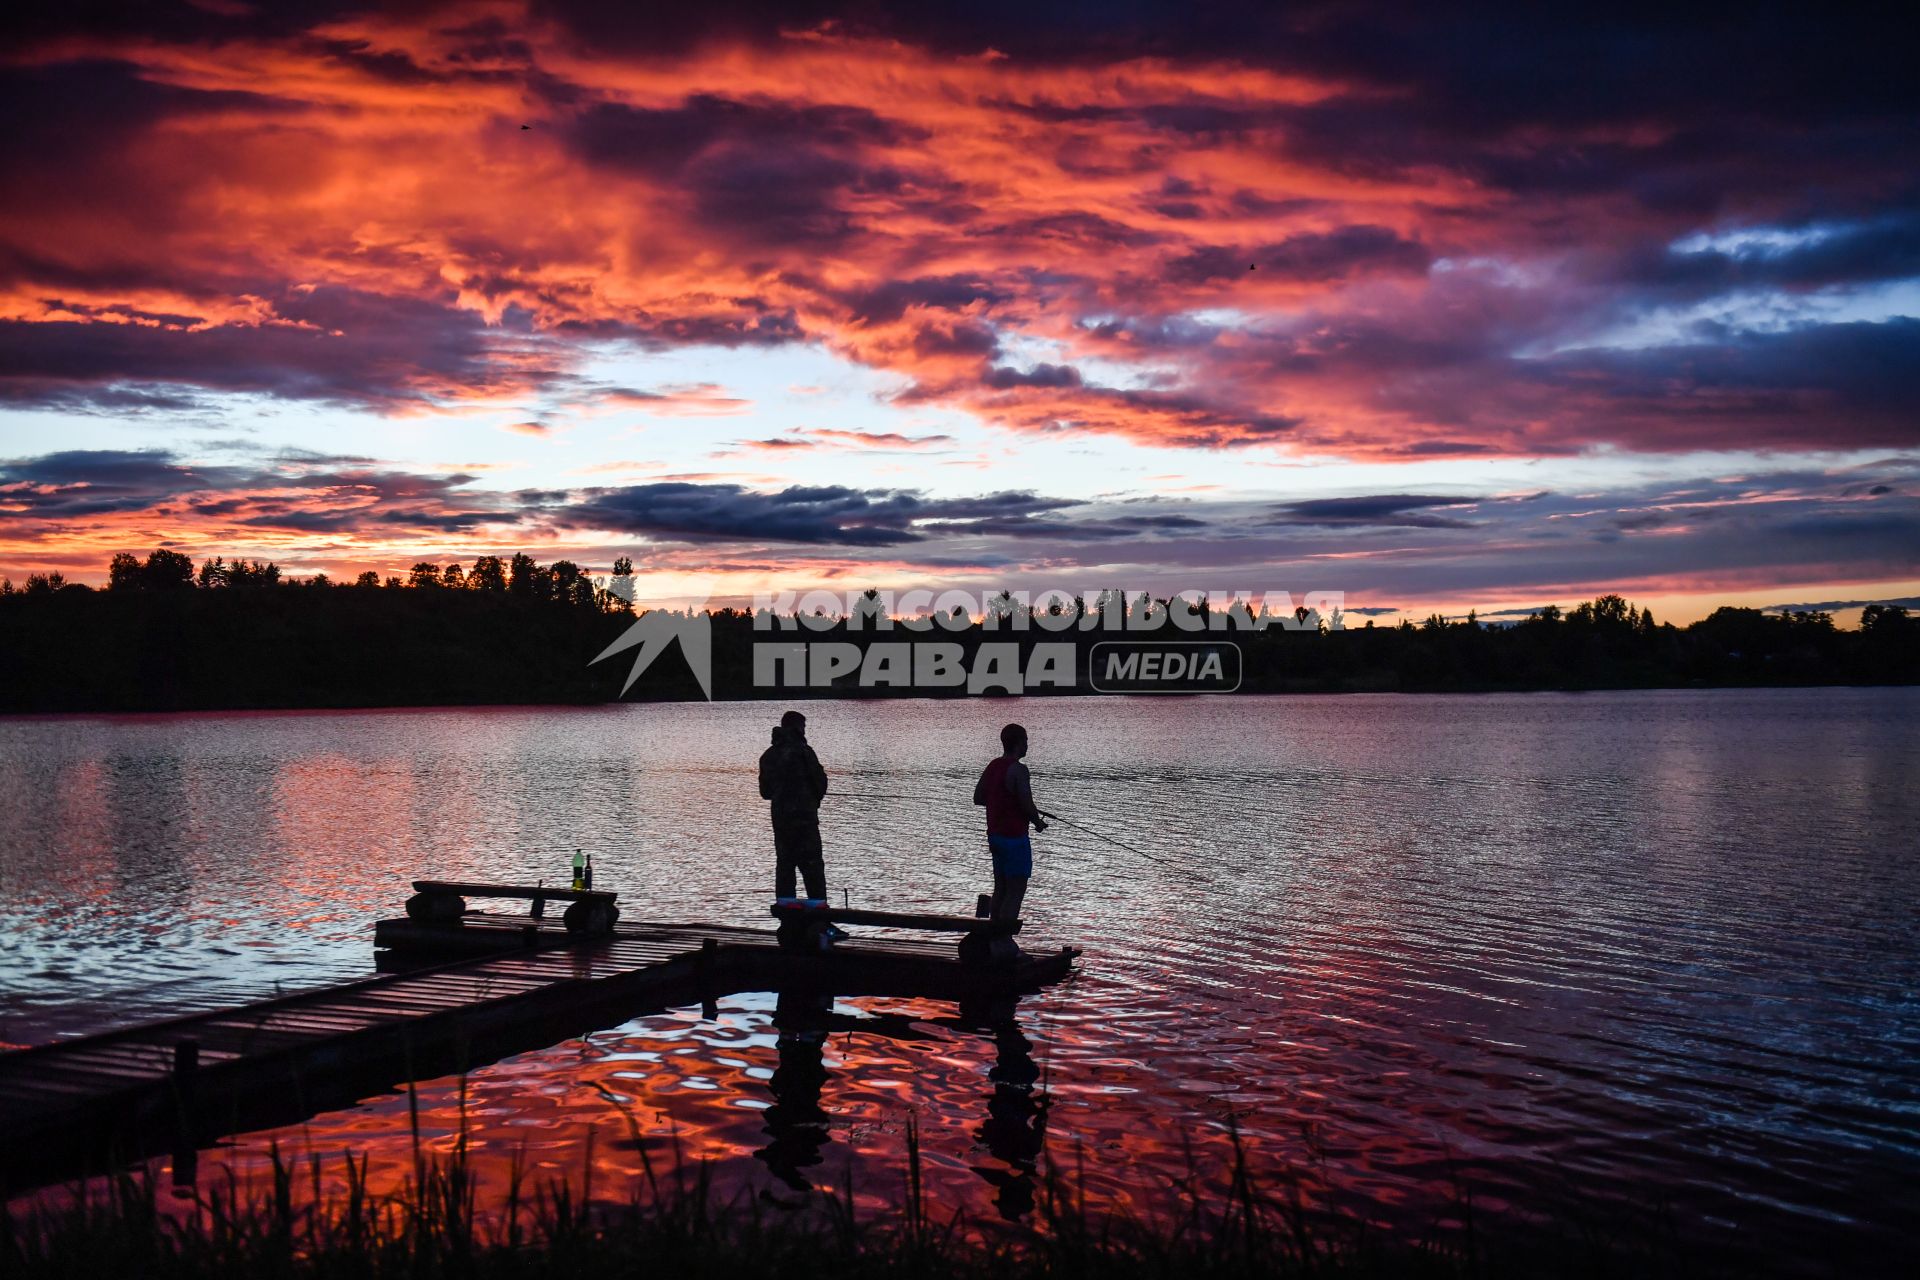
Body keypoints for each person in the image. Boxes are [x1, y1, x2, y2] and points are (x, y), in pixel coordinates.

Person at [973, 722, 1046, 922]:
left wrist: (1002, 800)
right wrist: (1038, 823)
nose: (1027, 746)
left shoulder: (993, 765)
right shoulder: (1019, 770)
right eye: (1026, 741)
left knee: (1000, 889)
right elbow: (1027, 803)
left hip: (995, 837)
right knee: (1015, 892)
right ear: (1019, 743)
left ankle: (993, 941)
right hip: (1014, 838)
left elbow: (978, 797)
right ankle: (1003, 942)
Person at [759, 709, 829, 907]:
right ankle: (819, 916)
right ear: (798, 728)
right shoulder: (804, 752)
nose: (805, 731)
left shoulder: (768, 756)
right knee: (812, 867)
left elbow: (765, 792)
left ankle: (786, 911)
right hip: (805, 821)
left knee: (785, 865)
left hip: (781, 822)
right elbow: (820, 783)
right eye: (804, 727)